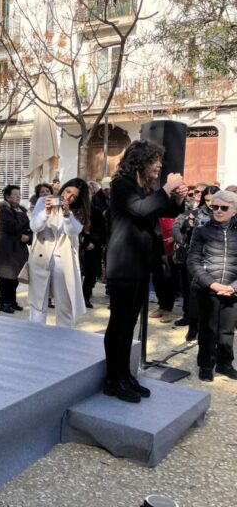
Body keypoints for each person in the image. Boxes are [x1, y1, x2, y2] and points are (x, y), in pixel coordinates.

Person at [103, 140, 187, 403]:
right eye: (155, 161)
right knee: (119, 323)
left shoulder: (143, 188)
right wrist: (166, 188)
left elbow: (159, 210)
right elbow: (140, 209)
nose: (160, 165)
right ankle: (112, 379)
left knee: (130, 323)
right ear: (140, 161)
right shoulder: (121, 185)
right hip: (124, 264)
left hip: (140, 264)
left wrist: (177, 199)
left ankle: (125, 375)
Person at [188, 190, 237, 381]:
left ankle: (225, 364)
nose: (218, 210)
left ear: (234, 211)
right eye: (214, 207)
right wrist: (212, 284)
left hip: (232, 289)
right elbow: (193, 262)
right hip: (207, 288)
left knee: (227, 329)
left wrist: (233, 287)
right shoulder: (201, 231)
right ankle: (206, 364)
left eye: (224, 208)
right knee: (207, 328)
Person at [28, 178, 90, 328]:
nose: (68, 197)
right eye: (68, 191)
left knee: (64, 306)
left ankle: (63, 342)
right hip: (41, 256)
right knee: (38, 304)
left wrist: (67, 214)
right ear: (63, 188)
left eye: (74, 196)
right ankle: (35, 339)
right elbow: (34, 226)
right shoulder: (44, 201)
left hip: (64, 260)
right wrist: (46, 212)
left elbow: (73, 231)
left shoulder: (77, 210)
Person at [173, 184, 219, 340]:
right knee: (193, 294)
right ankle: (193, 326)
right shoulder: (193, 213)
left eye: (213, 200)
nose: (210, 204)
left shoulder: (224, 214)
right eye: (207, 200)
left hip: (216, 259)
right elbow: (176, 227)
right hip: (195, 259)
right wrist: (182, 239)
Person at [0, 185, 32, 314]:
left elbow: (29, 228)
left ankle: (12, 301)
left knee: (15, 277)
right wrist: (22, 222)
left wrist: (29, 237)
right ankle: (3, 302)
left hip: (18, 248)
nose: (18, 197)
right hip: (6, 248)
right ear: (8, 197)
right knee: (6, 277)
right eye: (15, 195)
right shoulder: (4, 210)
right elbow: (12, 227)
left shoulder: (21, 211)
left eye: (19, 195)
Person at [81, 182, 108, 308]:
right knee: (82, 273)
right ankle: (80, 297)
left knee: (92, 273)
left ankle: (85, 297)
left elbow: (101, 227)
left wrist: (94, 241)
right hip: (82, 244)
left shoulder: (95, 210)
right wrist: (88, 241)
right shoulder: (78, 209)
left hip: (94, 245)